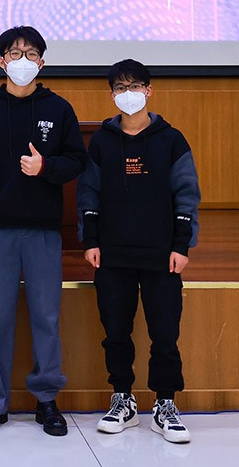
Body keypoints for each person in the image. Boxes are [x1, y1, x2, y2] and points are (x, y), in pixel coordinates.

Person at [0, 26, 87, 436]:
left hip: (42, 230)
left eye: (31, 54)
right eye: (15, 54)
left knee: (46, 317)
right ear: (1, 61)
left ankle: (46, 399)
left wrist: (45, 167)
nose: (23, 61)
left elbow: (77, 161)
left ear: (42, 62)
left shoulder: (59, 109)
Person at [77, 58, 200, 444]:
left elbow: (187, 194)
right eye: (120, 88)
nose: (127, 94)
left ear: (148, 91)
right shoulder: (102, 141)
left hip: (162, 254)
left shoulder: (171, 139)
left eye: (134, 86)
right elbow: (89, 194)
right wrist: (91, 240)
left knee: (165, 333)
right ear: (112, 94)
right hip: (112, 254)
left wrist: (181, 245)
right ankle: (123, 400)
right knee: (116, 332)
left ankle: (165, 404)